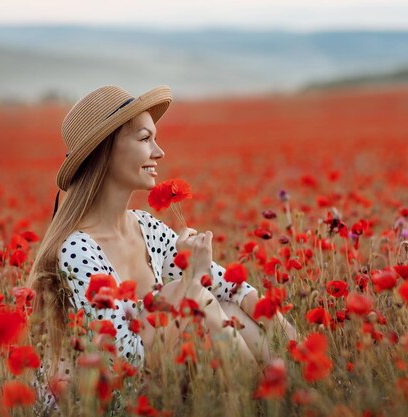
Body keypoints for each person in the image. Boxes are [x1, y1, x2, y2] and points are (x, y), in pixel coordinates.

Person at [27, 85, 297, 406]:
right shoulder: (77, 250)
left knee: (224, 307)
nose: (159, 151)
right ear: (104, 151)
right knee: (190, 299)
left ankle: (285, 392)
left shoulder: (146, 227)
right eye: (145, 139)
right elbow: (124, 363)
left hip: (152, 385)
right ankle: (270, 402)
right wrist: (191, 286)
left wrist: (293, 340)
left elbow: (230, 287)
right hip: (104, 402)